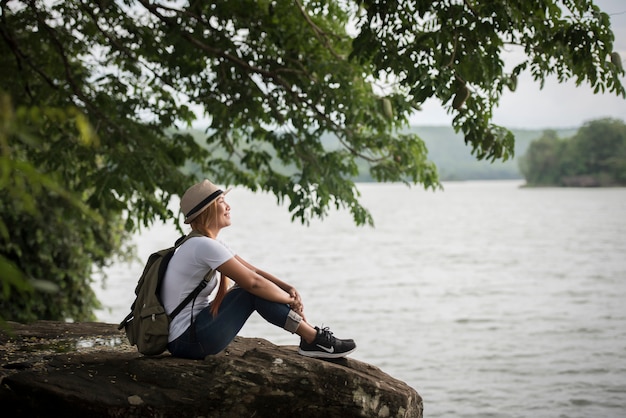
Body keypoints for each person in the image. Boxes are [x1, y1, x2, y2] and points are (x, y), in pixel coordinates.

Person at [161, 179, 356, 360]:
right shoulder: (203, 246)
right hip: (188, 341)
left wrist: (288, 288)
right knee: (250, 291)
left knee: (252, 288)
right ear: (208, 210)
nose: (228, 206)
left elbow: (253, 272)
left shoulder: (203, 243)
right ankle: (313, 339)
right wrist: (289, 300)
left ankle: (311, 338)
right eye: (221, 201)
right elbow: (253, 283)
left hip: (190, 335)